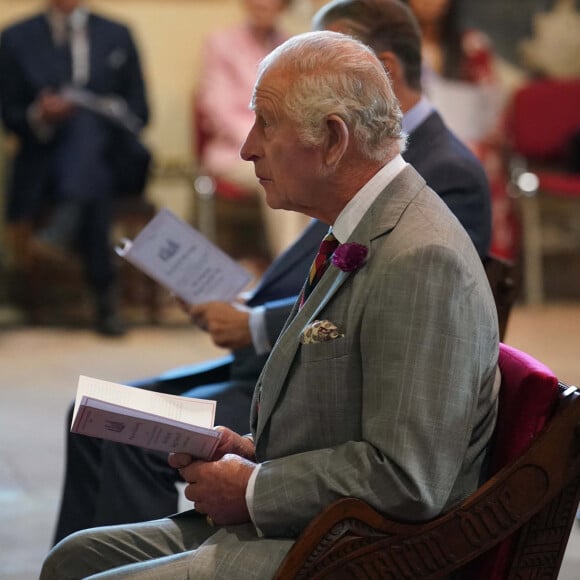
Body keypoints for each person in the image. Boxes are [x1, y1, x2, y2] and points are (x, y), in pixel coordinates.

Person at [41, 29, 499, 579]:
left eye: (266, 122)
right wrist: (253, 450)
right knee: (72, 558)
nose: (246, 146)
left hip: (355, 551)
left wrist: (255, 487)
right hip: (313, 525)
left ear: (332, 139)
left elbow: (407, 478)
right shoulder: (365, 227)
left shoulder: (422, 257)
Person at [0, 0, 151, 336]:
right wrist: (40, 114)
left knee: (87, 127)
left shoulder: (117, 33)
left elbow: (141, 111)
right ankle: (104, 296)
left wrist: (103, 108)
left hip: (115, 159)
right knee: (91, 185)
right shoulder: (15, 38)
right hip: (46, 163)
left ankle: (64, 226)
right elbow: (10, 115)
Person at [403, 0, 518, 261]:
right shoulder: (396, 50)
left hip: (467, 144)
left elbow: (493, 109)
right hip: (413, 145)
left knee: (479, 163)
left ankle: (484, 265)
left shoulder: (472, 47)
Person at [195, 0, 311, 260]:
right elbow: (217, 107)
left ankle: (313, 267)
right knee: (281, 173)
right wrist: (269, 141)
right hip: (235, 150)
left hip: (286, 147)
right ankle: (289, 273)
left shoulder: (293, 46)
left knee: (314, 168)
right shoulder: (221, 43)